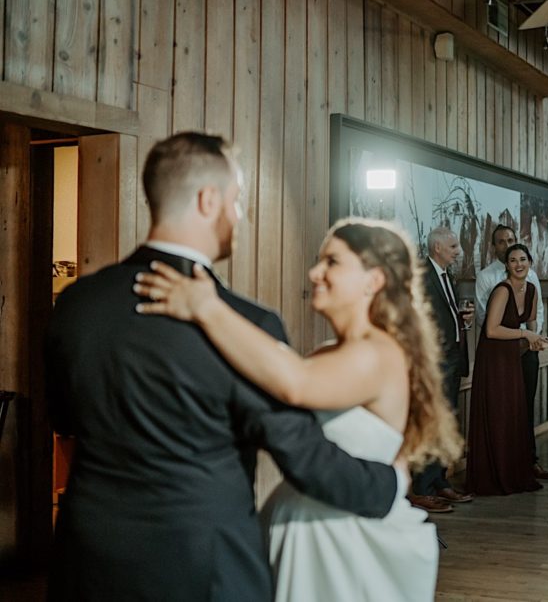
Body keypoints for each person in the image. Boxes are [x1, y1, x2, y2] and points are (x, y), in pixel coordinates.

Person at [45, 133, 403, 602]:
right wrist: (389, 482)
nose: (239, 215)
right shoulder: (247, 325)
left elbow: (64, 424)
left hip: (87, 557)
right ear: (208, 200)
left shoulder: (76, 304)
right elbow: (300, 453)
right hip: (203, 565)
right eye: (236, 201)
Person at [134, 217, 463, 601]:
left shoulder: (377, 352)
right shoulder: (329, 352)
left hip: (345, 539)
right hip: (305, 524)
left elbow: (293, 384)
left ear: (372, 281)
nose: (315, 272)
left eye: (332, 262)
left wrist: (207, 307)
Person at [466, 244, 547, 495]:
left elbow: (531, 319)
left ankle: (513, 470)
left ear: (530, 263)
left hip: (514, 355)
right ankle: (493, 474)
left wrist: (536, 340)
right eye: (513, 260)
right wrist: (525, 333)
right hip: (494, 357)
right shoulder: (502, 290)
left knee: (515, 411)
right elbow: (491, 330)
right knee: (498, 412)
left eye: (523, 259)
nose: (518, 264)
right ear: (507, 266)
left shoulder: (531, 289)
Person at [410, 226, 475, 513]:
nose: (458, 251)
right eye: (453, 247)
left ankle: (439, 482)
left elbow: (446, 315)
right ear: (437, 248)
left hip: (451, 362)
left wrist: (465, 322)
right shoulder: (422, 275)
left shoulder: (447, 276)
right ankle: (422, 490)